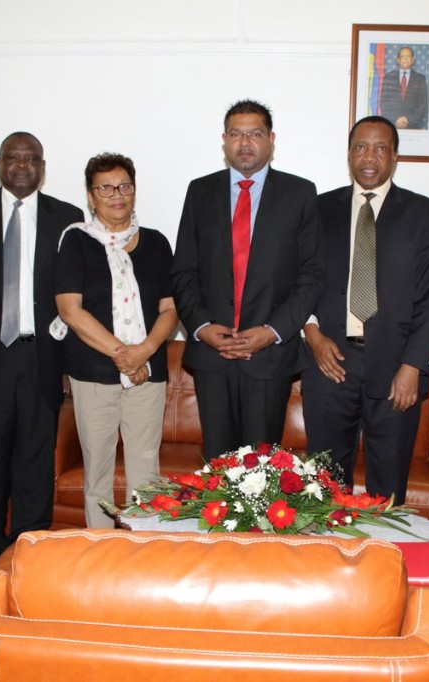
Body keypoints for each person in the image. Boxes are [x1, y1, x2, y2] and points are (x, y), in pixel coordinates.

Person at [0, 132, 83, 566]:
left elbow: (74, 294)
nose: (22, 165)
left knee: (34, 459)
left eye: (31, 159)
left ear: (42, 167)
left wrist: (68, 363)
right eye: (13, 157)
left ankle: (29, 549)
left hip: (42, 354)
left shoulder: (69, 216)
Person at [302, 116, 429, 500]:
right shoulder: (317, 209)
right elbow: (298, 281)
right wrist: (312, 334)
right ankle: (330, 557)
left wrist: (413, 366)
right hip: (330, 364)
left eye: (381, 148)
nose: (370, 157)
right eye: (361, 147)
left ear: (395, 156)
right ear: (349, 154)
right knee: (325, 487)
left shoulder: (424, 213)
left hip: (396, 366)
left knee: (387, 491)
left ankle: (385, 558)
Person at [171, 99, 322, 458]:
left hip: (270, 357)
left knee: (261, 474)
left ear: (271, 139)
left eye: (254, 133)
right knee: (218, 470)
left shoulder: (299, 194)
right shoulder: (200, 191)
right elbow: (183, 272)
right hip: (212, 354)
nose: (244, 142)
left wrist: (271, 331)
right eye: (236, 134)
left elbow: (312, 275)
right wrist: (202, 327)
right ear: (224, 140)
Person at [55, 153, 177, 528]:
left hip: (147, 373)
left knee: (146, 473)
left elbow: (170, 309)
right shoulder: (76, 241)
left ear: (134, 190)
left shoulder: (156, 243)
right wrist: (125, 356)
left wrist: (144, 352)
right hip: (93, 375)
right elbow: (70, 310)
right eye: (105, 187)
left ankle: (142, 558)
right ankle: (101, 557)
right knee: (98, 476)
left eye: (124, 185)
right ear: (91, 196)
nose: (116, 194)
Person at [379, 47, 429, 130]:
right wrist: (396, 120)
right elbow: (384, 103)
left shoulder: (420, 79)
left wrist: (408, 120)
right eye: (403, 56)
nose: (405, 58)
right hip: (392, 127)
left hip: (413, 127)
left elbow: (422, 105)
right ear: (398, 60)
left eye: (408, 56)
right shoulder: (388, 77)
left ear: (413, 59)